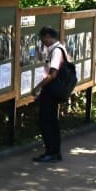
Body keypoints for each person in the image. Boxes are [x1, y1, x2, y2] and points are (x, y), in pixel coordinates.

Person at [30, 26, 67, 163]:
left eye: (43, 38)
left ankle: (52, 153)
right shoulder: (59, 49)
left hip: (51, 91)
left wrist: (38, 87)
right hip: (53, 91)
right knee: (51, 122)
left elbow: (53, 74)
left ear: (48, 36)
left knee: (47, 122)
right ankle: (52, 152)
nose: (43, 41)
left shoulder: (56, 51)